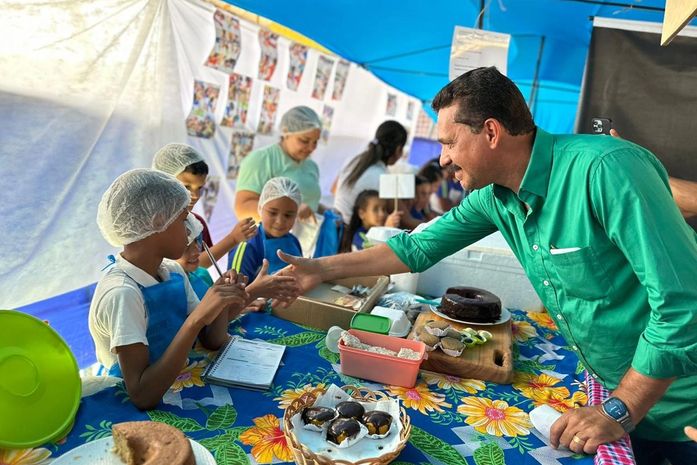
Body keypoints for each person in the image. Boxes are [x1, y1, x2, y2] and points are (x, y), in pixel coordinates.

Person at [277, 67, 697, 464]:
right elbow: (415, 249)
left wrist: (620, 410)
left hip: (681, 410)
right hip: (620, 395)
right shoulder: (496, 197)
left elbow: (682, 305)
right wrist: (320, 269)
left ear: (491, 132)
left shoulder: (605, 169)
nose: (441, 159)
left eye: (449, 142)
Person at [89, 169, 248, 410]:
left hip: (176, 381)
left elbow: (211, 339)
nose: (189, 229)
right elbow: (141, 395)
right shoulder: (123, 293)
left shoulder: (172, 272)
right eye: (184, 218)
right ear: (157, 221)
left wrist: (221, 298)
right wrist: (196, 319)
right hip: (123, 402)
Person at [152, 143, 257, 268]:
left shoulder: (197, 223)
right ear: (163, 181)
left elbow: (199, 267)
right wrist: (232, 239)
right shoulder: (151, 225)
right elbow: (186, 267)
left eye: (200, 188)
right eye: (186, 187)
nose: (195, 195)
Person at [177, 213, 297, 314]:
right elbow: (204, 325)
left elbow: (217, 319)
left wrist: (237, 306)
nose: (196, 251)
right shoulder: (172, 287)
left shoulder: (202, 275)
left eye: (197, 241)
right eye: (186, 244)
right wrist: (253, 292)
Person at [235, 106, 327, 222]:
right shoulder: (262, 159)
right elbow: (243, 208)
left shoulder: (311, 166)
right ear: (286, 133)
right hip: (268, 238)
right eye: (304, 140)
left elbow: (308, 202)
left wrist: (326, 212)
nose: (312, 148)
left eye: (315, 141)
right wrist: (289, 211)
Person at [228, 177, 303, 282]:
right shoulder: (247, 247)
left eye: (288, 215)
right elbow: (234, 291)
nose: (280, 221)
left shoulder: (294, 241)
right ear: (260, 208)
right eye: (273, 213)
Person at [333, 121, 408, 224]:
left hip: (334, 226)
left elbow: (333, 190)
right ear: (399, 149)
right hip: (355, 235)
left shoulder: (352, 161)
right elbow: (405, 219)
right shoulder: (385, 177)